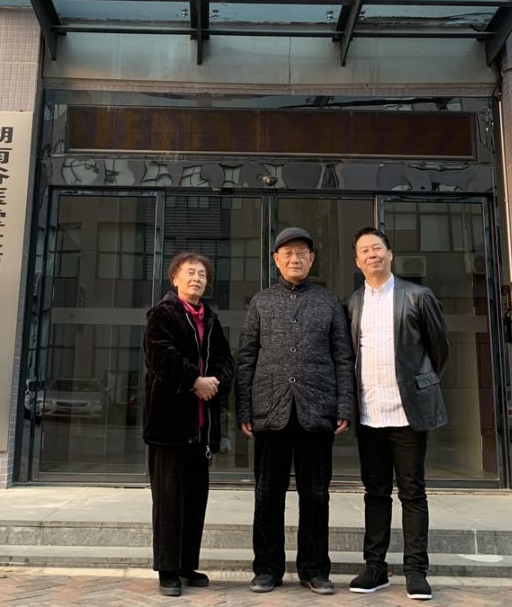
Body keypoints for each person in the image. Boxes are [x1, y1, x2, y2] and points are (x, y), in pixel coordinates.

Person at [236, 226, 355, 596]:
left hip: (316, 410)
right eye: (287, 253)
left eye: (302, 252)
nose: (295, 258)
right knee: (267, 495)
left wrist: (344, 405)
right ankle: (267, 569)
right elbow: (246, 357)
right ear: (276, 260)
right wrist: (245, 408)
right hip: (270, 410)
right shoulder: (260, 302)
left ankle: (314, 569)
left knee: (316, 495)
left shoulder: (329, 302)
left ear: (312, 259)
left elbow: (343, 357)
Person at [345, 227, 450, 601]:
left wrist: (420, 386)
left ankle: (416, 571)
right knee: (375, 493)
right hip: (369, 414)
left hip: (407, 414)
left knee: (412, 492)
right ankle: (375, 567)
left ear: (389, 254)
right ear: (357, 262)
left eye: (377, 248)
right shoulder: (353, 303)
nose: (371, 254)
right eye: (364, 250)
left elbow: (439, 350)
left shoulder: (417, 296)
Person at [143, 252, 235, 597]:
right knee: (169, 500)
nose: (197, 279)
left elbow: (226, 359)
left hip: (202, 428)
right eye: (190, 273)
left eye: (202, 275)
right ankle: (167, 569)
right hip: (168, 428)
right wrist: (195, 381)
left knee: (195, 499)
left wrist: (216, 382)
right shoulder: (162, 314)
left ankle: (186, 565)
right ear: (175, 279)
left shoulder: (210, 318)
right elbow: (160, 357)